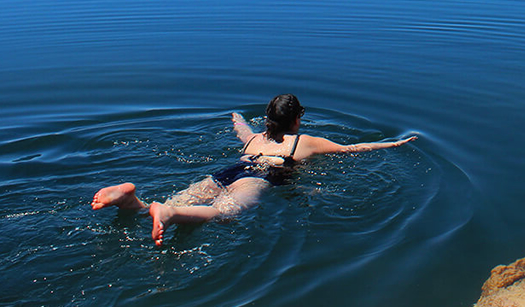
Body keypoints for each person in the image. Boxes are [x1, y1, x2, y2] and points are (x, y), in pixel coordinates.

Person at [91, 93, 416, 246]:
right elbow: (351, 149)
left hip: (232, 169)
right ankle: (170, 214)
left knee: (187, 200)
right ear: (297, 120)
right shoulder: (303, 143)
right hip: (261, 178)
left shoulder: (253, 139)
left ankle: (133, 202)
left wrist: (237, 117)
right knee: (223, 213)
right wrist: (394, 144)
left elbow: (241, 130)